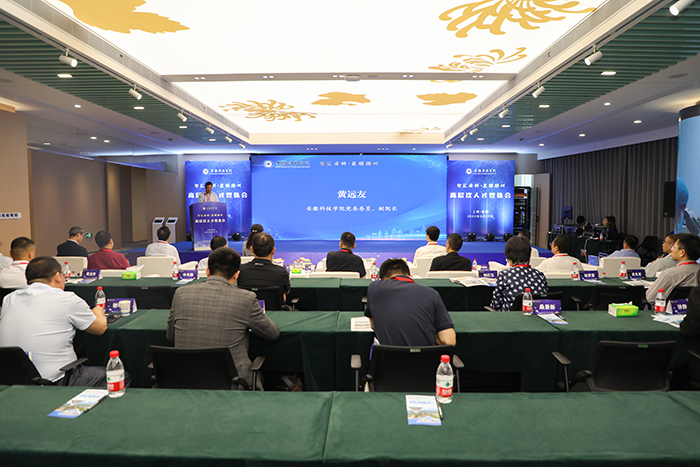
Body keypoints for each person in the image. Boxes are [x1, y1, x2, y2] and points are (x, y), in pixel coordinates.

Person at [167, 247, 280, 389]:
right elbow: (272, 333)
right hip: (233, 382)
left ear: (207, 271)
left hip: (184, 380)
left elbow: (170, 336)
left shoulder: (181, 293)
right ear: (237, 275)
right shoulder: (246, 298)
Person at [0, 256, 110, 385]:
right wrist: (98, 311)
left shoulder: (8, 299)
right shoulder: (67, 299)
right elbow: (100, 328)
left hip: (11, 380)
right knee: (117, 376)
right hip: (57, 379)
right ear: (57, 276)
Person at [364, 258, 455, 347]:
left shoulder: (375, 288)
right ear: (411, 277)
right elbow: (449, 341)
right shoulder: (432, 293)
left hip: (387, 357)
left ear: (380, 280)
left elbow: (374, 326)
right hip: (426, 357)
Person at [490, 236, 548, 311]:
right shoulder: (540, 275)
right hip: (535, 316)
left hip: (509, 317)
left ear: (509, 257)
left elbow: (496, 304)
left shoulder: (504, 275)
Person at [645, 233, 700, 303]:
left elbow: (650, 298)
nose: (672, 250)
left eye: (674, 247)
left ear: (682, 252)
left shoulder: (669, 274)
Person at [237, 233, 291, 300]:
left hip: (247, 305)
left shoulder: (240, 270)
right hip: (272, 306)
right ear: (273, 251)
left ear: (252, 249)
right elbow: (287, 291)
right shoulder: (281, 272)